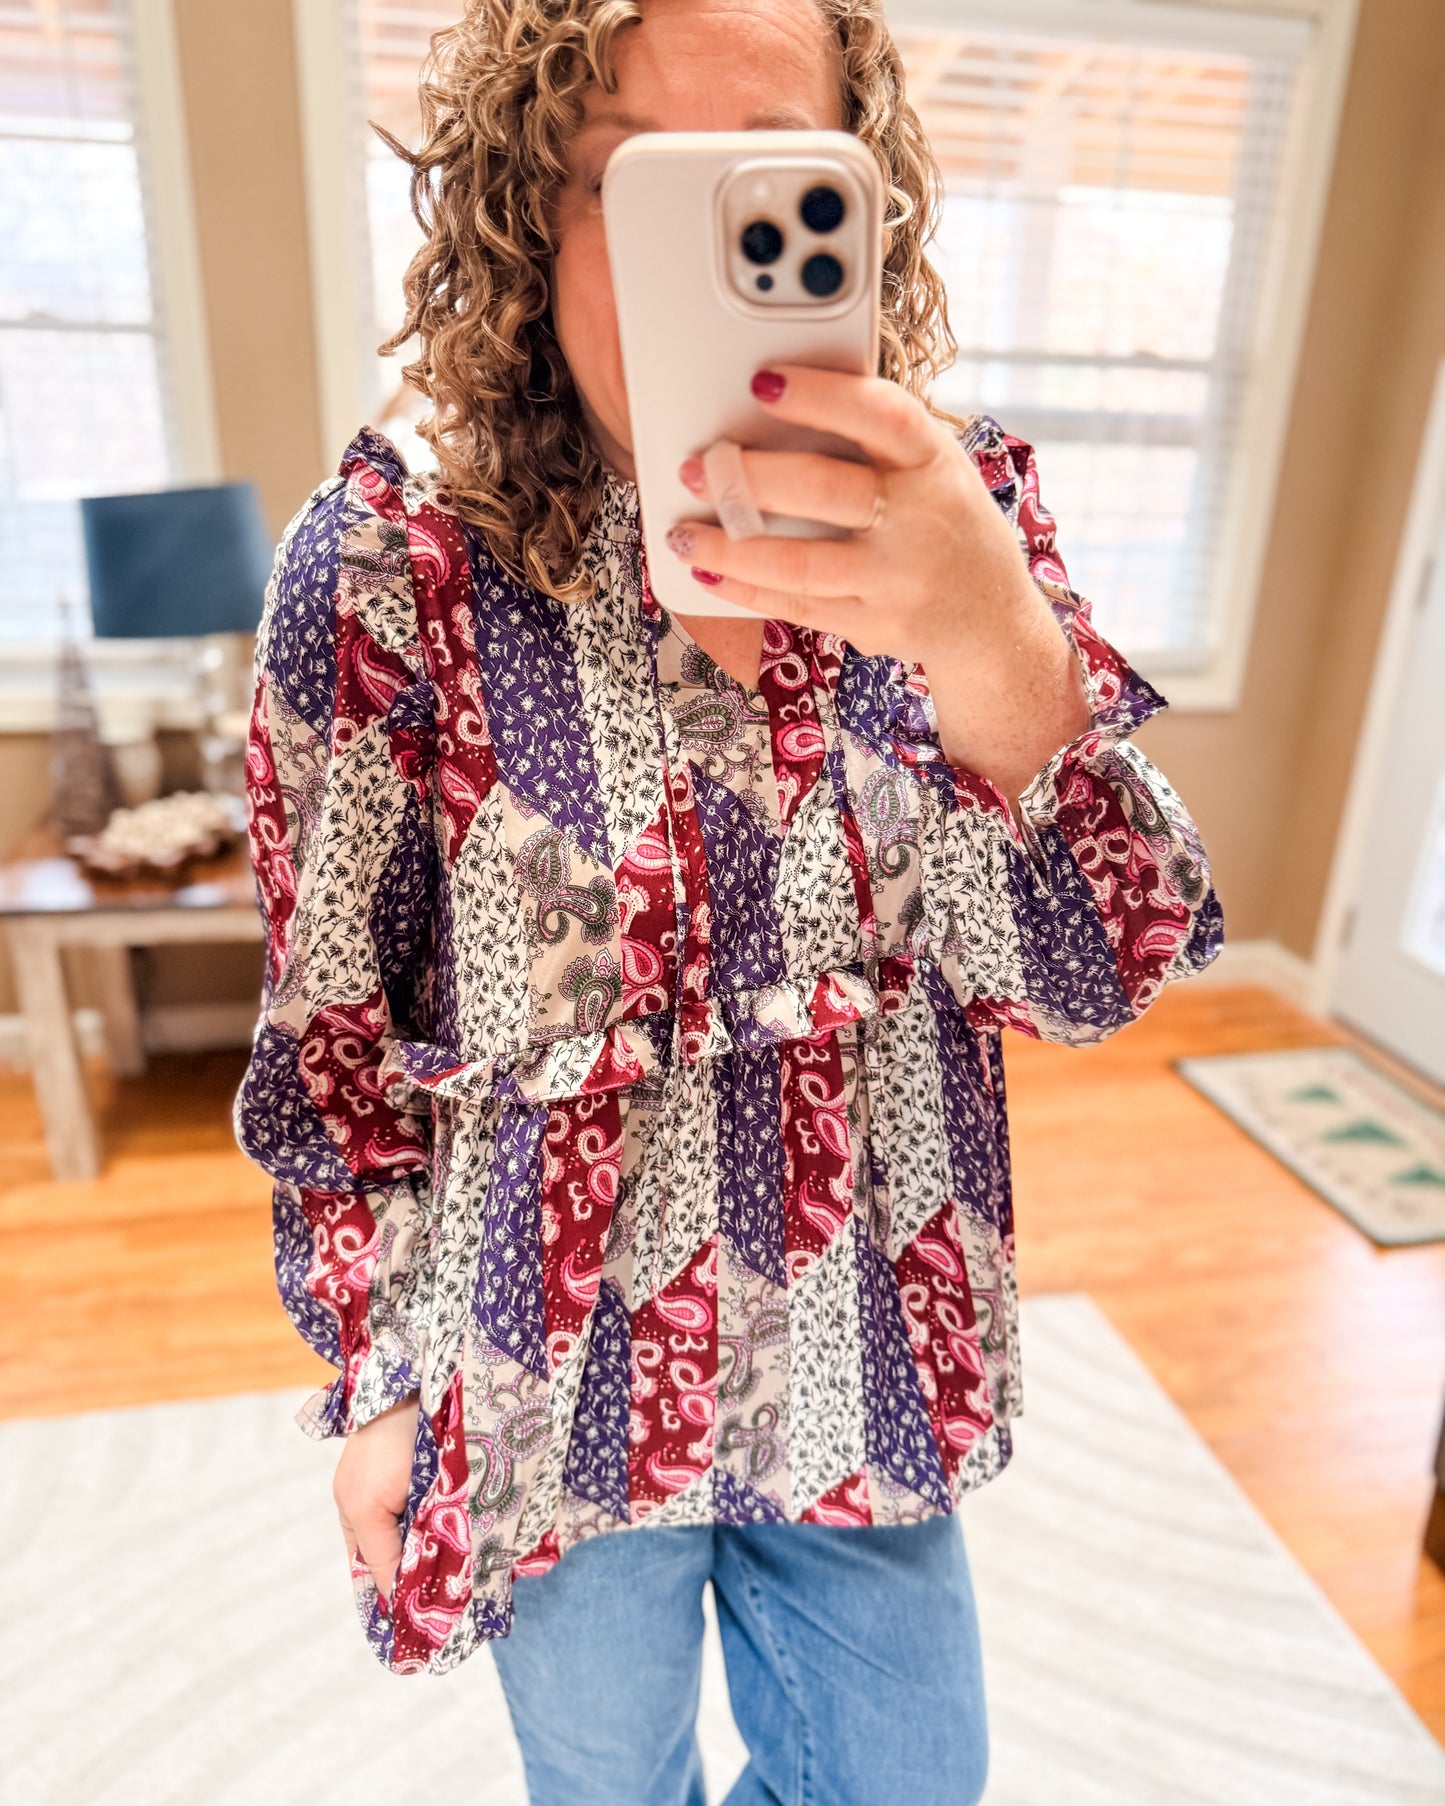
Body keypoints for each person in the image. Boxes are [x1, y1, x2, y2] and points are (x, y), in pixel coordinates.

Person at [235, 2, 1222, 1801]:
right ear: (524, 213)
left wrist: (984, 630)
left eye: (756, 179)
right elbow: (337, 1058)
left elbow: (1096, 964)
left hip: (865, 1354)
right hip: (546, 1387)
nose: (689, 253)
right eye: (622, 178)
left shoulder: (959, 524)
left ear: (859, 203)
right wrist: (379, 1378)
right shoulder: (388, 570)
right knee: (608, 1785)